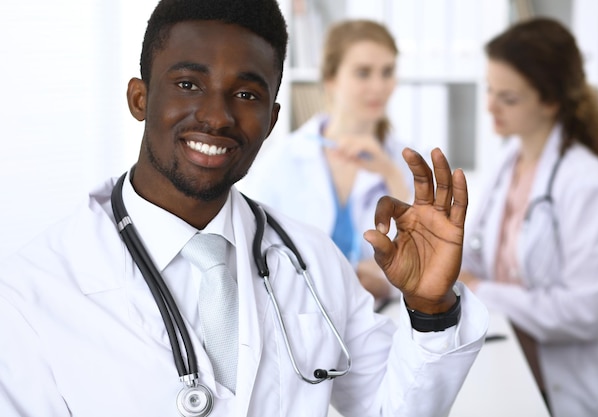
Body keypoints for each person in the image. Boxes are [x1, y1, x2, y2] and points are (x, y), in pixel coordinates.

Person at [0, 1, 488, 416]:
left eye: (247, 94)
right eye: (189, 84)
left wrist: (430, 311)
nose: (217, 116)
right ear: (139, 97)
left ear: (273, 118)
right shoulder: (32, 292)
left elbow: (390, 408)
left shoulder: (313, 262)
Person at [459, 17, 598, 417]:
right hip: (516, 366)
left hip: (578, 389)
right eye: (489, 90)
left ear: (551, 100)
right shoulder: (508, 163)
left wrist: (480, 289)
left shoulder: (587, 183)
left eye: (509, 98)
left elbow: (586, 313)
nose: (489, 107)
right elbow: (480, 259)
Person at [239, 19, 412, 307]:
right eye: (363, 73)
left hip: (382, 319)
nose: (379, 86)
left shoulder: (404, 161)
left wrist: (390, 174)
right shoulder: (282, 160)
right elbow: (249, 254)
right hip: (299, 320)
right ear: (331, 78)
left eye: (387, 72)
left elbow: (423, 263)